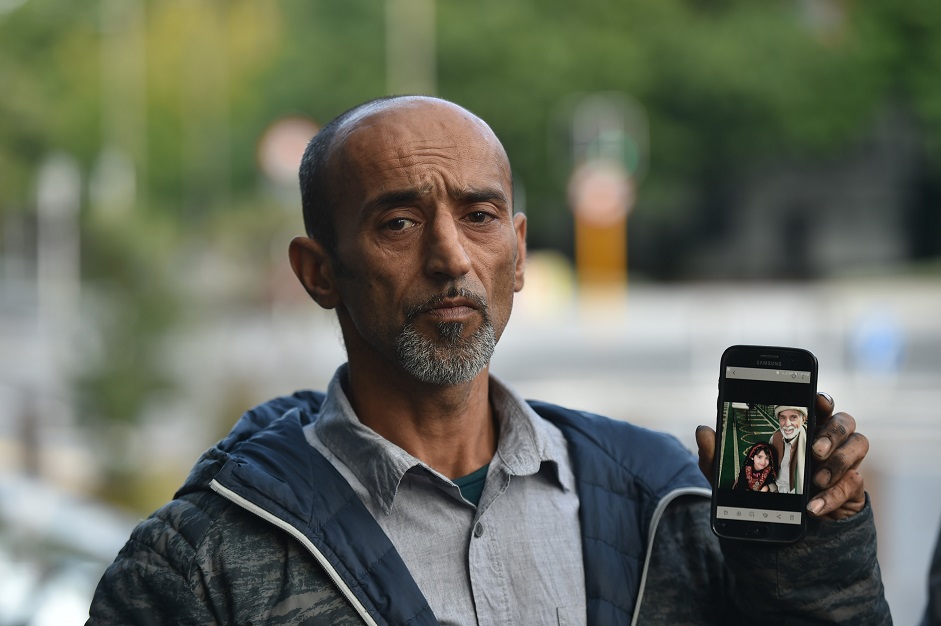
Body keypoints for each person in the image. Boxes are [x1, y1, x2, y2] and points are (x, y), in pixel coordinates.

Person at [86, 96, 890, 625]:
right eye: (397, 223)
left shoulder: (663, 501)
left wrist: (811, 560)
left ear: (517, 252)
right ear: (317, 271)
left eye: (479, 216)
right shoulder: (199, 565)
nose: (450, 258)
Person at [770, 405, 808, 494]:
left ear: (803, 420)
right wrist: (773, 488)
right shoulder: (775, 438)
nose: (787, 424)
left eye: (793, 417)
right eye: (782, 418)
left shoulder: (810, 442)